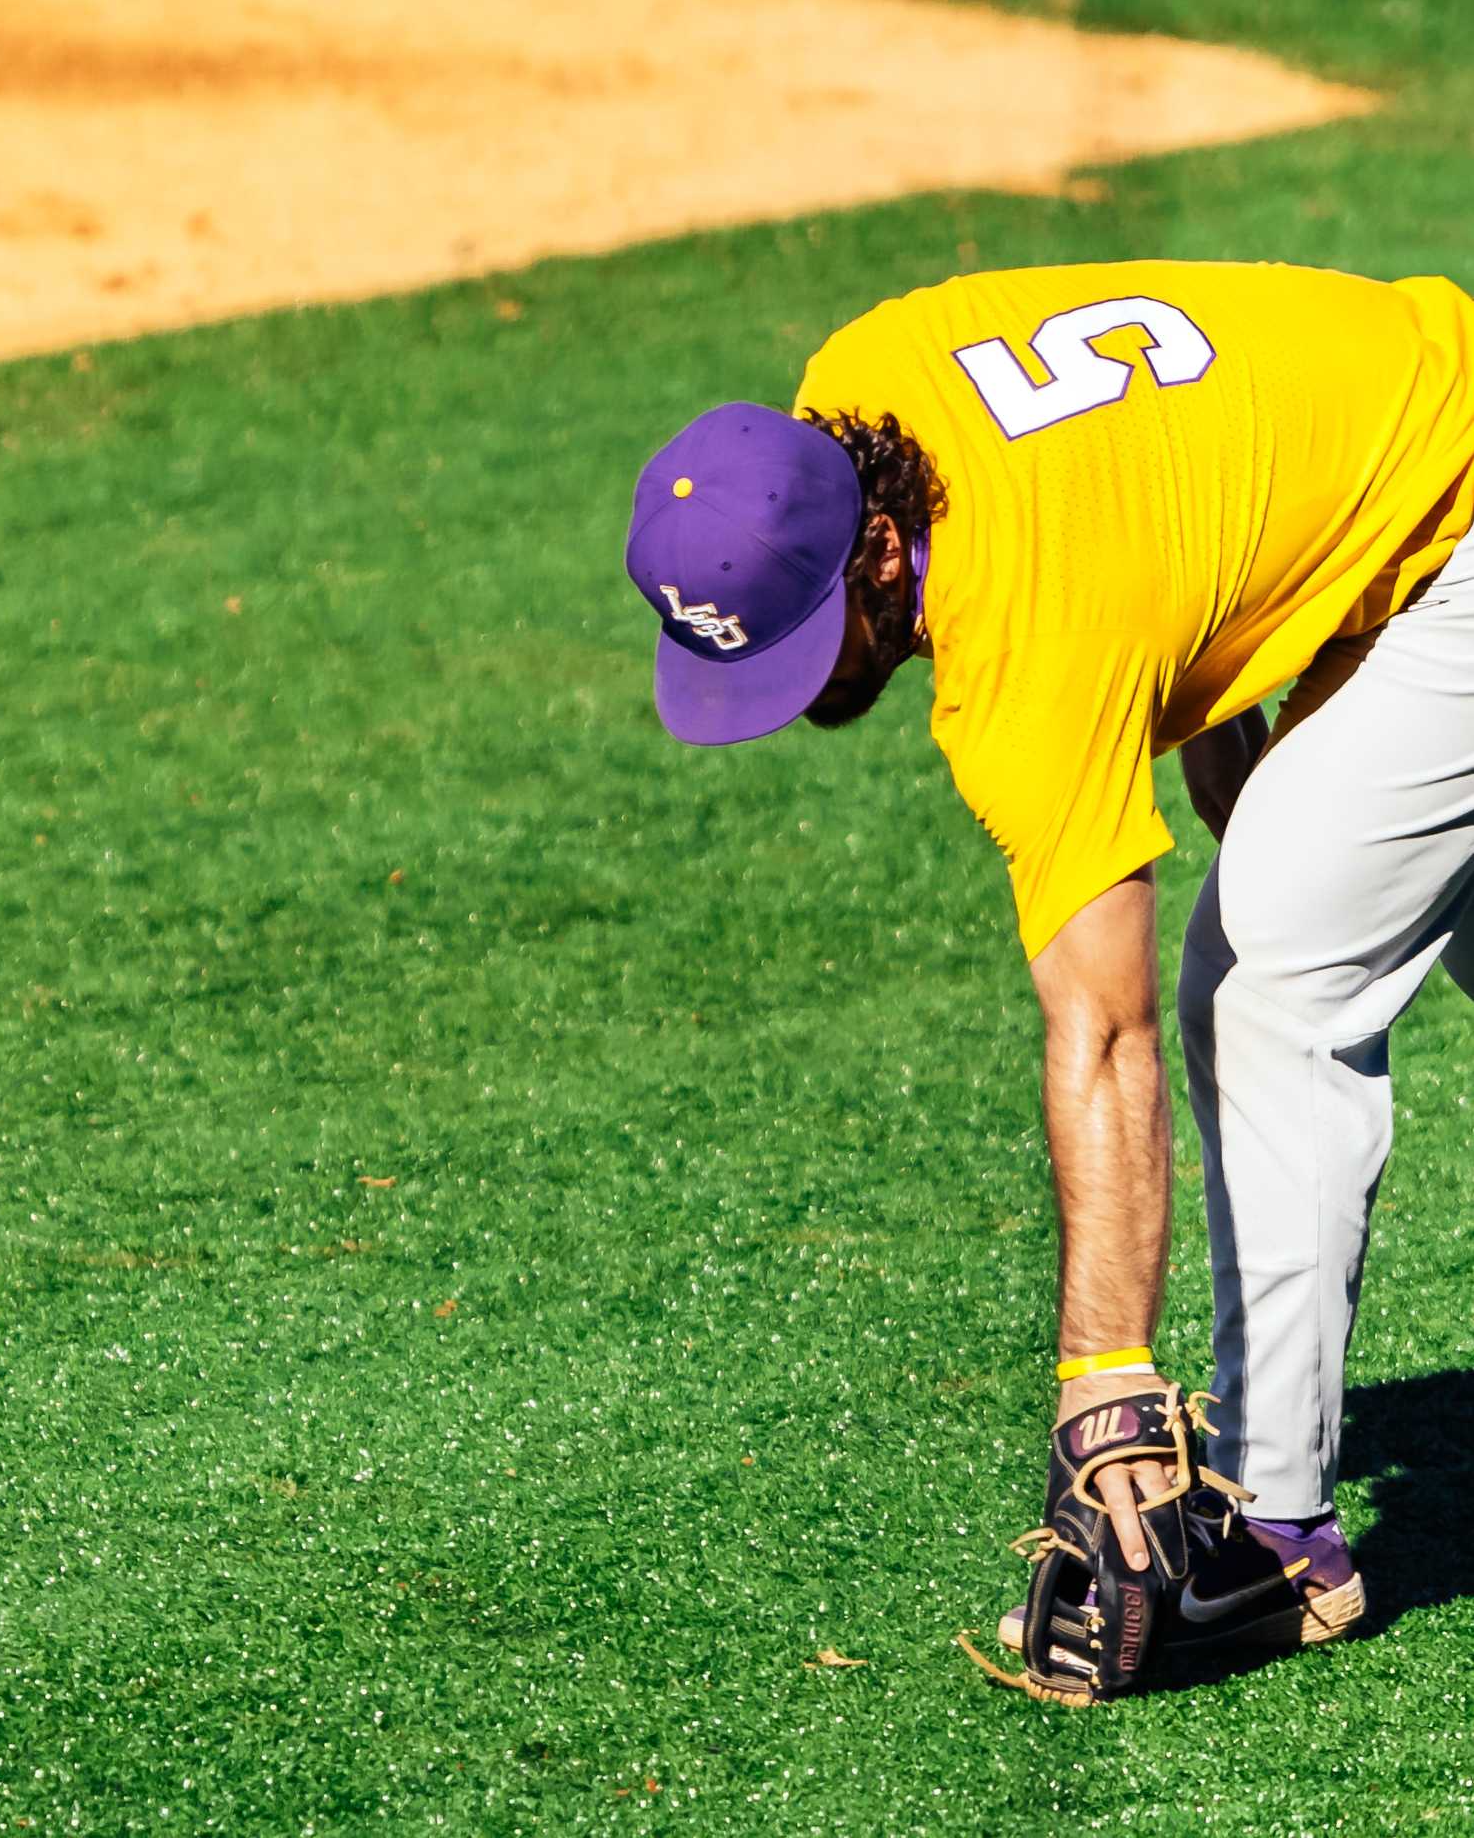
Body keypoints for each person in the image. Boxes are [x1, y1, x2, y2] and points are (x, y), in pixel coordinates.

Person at [624, 258, 1474, 1659]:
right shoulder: (863, 379)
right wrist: (1213, 701)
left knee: (1269, 980)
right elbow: (1162, 467)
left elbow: (1106, 1033)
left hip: (1451, 527)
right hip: (1415, 435)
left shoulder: (1020, 658)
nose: (796, 690)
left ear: (879, 554)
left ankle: (1273, 1533)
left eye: (804, 648)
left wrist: (1106, 1378)